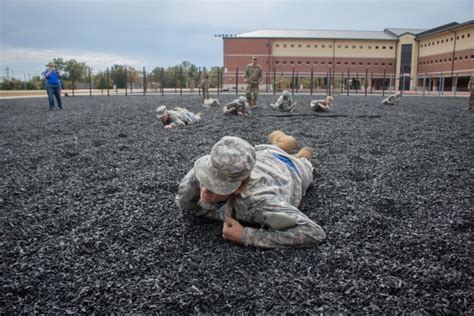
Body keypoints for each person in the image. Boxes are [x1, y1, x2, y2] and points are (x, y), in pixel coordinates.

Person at [175, 131, 326, 248]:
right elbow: (186, 202)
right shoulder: (199, 173)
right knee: (278, 146)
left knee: (304, 159)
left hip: (292, 170)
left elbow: (313, 232)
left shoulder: (258, 200)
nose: (205, 189)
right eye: (206, 178)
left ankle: (299, 155)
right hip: (263, 154)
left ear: (239, 188)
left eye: (217, 186)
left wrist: (245, 235)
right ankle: (282, 143)